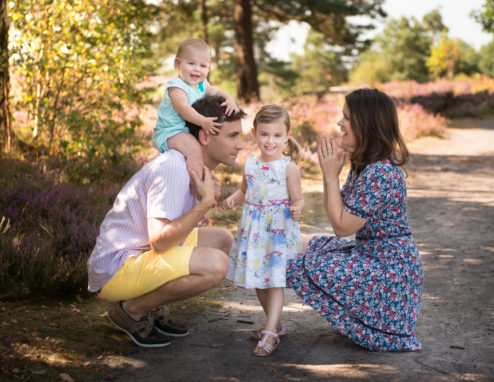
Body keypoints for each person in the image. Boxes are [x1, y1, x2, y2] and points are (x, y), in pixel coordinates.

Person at [87, 95, 246, 348]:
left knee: (222, 240)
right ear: (205, 136)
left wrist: (202, 196)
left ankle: (153, 303)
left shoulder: (196, 167)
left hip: (140, 256)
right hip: (117, 268)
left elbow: (175, 231)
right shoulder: (173, 168)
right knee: (216, 265)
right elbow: (160, 241)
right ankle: (132, 311)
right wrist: (205, 203)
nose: (240, 145)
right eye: (233, 136)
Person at [286, 88, 424, 352]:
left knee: (302, 264)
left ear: (367, 124)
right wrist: (333, 176)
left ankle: (376, 321)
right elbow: (336, 214)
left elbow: (341, 227)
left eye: (347, 117)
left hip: (389, 274)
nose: (340, 123)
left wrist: (329, 176)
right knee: (303, 245)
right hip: (372, 256)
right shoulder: (367, 166)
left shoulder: (380, 172)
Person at [221, 105, 304, 356]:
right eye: (265, 134)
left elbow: (298, 198)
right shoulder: (251, 164)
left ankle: (270, 334)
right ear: (255, 134)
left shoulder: (288, 167)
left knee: (275, 281)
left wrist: (298, 208)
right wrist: (233, 200)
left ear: (287, 136)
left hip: (277, 232)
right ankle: (275, 324)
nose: (270, 141)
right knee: (259, 281)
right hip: (255, 230)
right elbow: (244, 191)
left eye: (277, 135)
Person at [152, 38, 239, 182]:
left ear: (208, 69)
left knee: (204, 151)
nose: (197, 69)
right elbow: (183, 108)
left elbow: (215, 91)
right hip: (171, 131)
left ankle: (203, 174)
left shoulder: (201, 84)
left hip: (185, 130)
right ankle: (196, 183)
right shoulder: (176, 86)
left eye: (203, 66)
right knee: (195, 150)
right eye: (191, 63)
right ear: (177, 63)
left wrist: (229, 98)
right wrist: (203, 121)